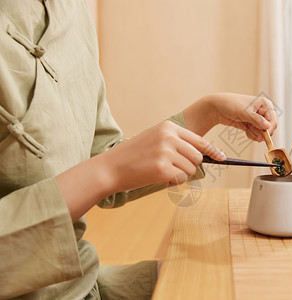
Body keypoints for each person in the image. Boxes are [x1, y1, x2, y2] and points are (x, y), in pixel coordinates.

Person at [0, 1, 277, 299]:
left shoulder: (72, 9)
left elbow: (101, 160)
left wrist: (207, 113)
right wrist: (108, 170)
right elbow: (104, 170)